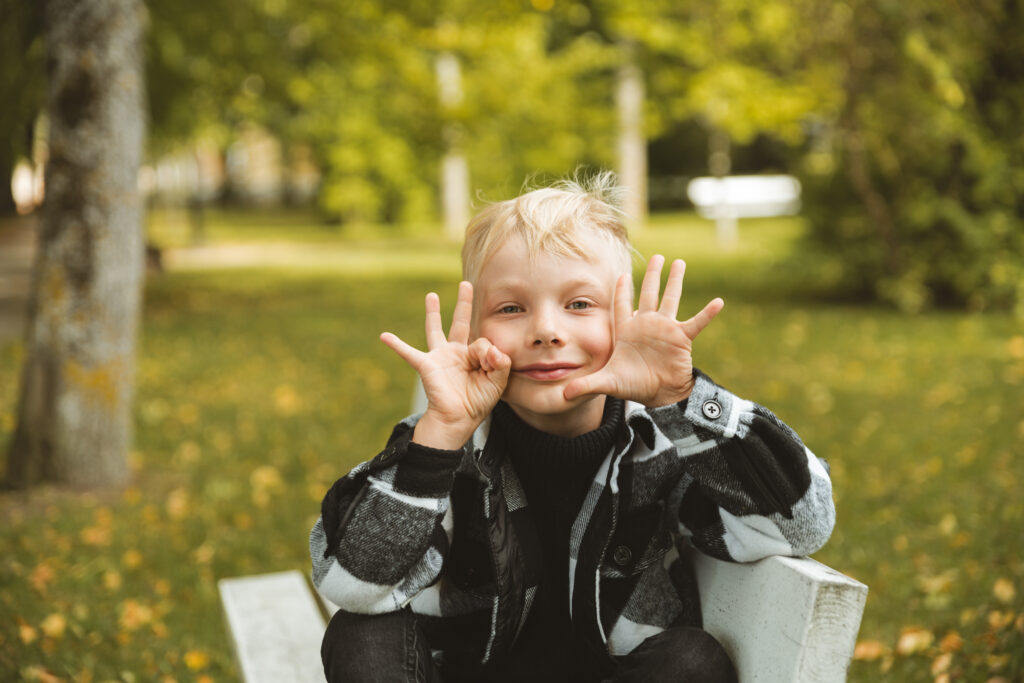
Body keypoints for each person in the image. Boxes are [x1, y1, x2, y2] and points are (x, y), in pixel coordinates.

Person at [310, 173, 835, 682]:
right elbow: (349, 584)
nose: (545, 331)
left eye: (579, 304)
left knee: (691, 661)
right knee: (361, 635)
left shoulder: (663, 448)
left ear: (621, 319)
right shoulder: (442, 446)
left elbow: (801, 525)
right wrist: (440, 434)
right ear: (474, 329)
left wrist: (683, 398)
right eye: (511, 308)